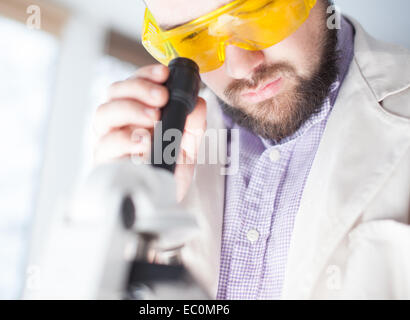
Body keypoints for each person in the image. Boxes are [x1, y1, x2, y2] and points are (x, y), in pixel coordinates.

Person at [93, 0, 410, 299]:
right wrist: (131, 228)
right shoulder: (161, 153)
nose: (240, 66)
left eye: (257, 13)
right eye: (192, 38)